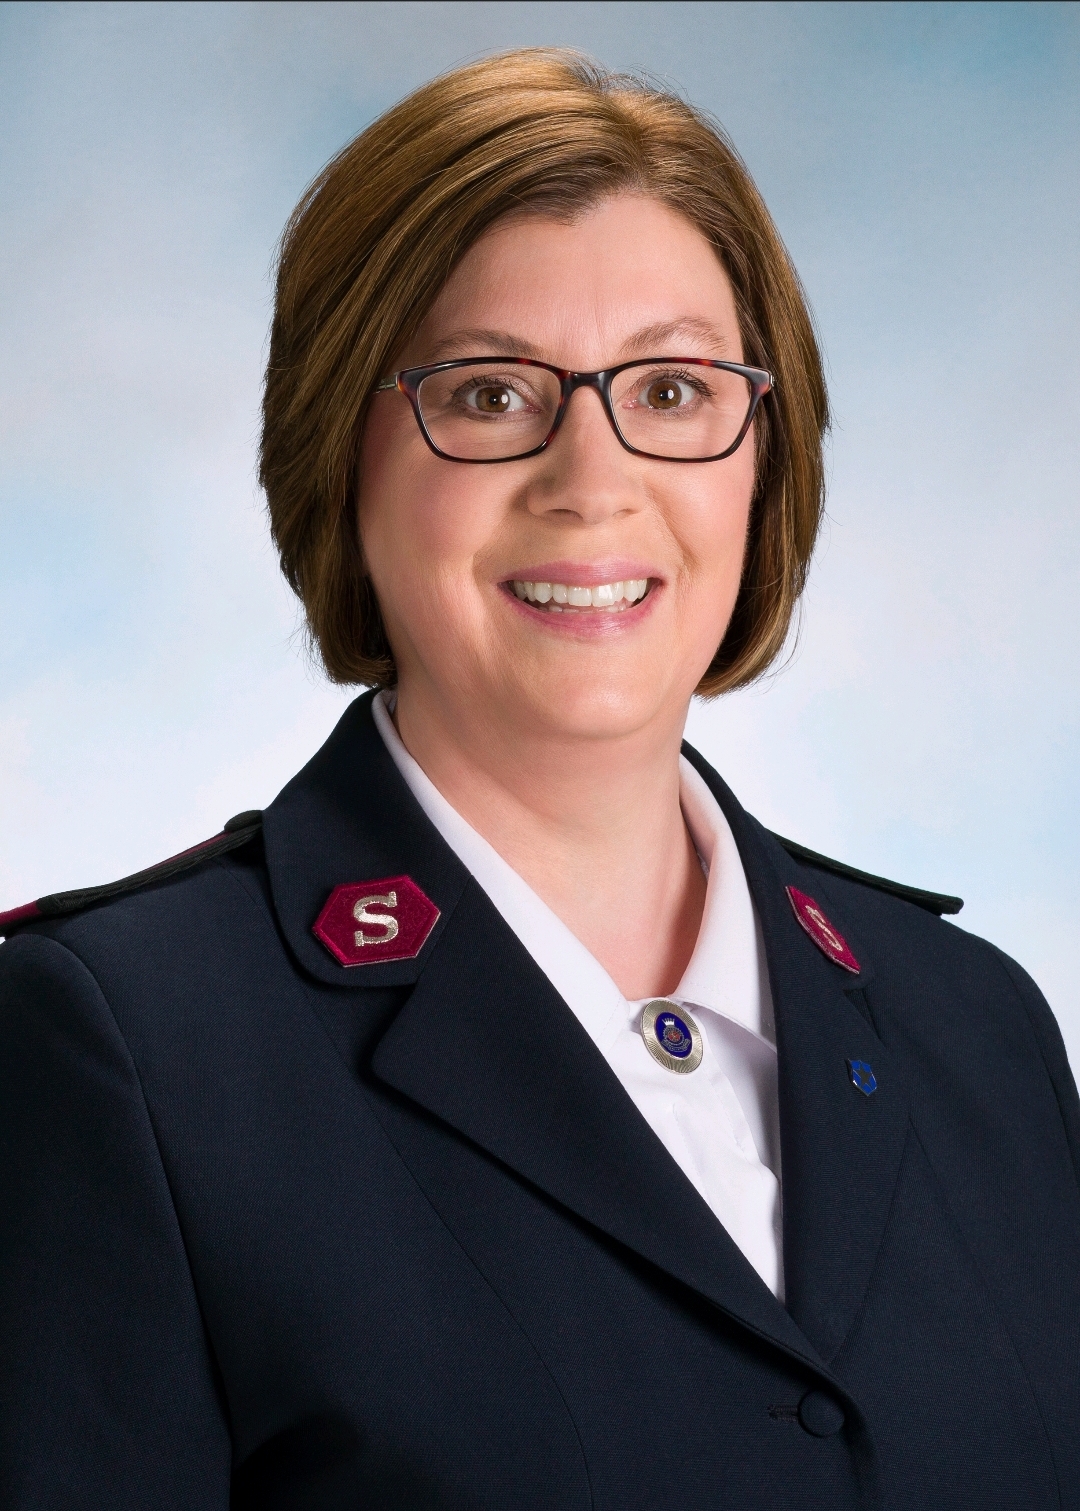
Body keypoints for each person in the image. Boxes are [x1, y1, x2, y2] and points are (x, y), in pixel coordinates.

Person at [1, 48, 1077, 1511]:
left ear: (763, 461)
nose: (592, 479)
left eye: (674, 389)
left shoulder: (982, 1030)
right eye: (492, 392)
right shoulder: (120, 1049)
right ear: (341, 455)